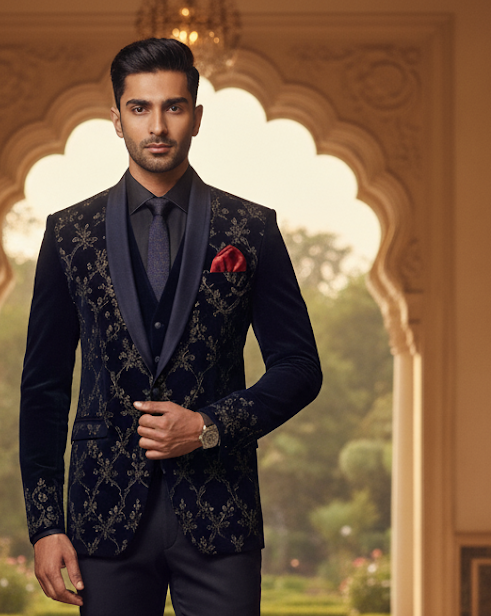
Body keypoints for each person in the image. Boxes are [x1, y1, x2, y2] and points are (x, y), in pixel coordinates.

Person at [19, 37, 322, 616]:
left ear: (197, 117)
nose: (157, 125)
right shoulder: (67, 235)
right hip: (102, 518)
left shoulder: (251, 228)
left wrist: (209, 425)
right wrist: (44, 525)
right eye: (140, 108)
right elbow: (44, 390)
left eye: (174, 107)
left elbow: (300, 368)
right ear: (116, 119)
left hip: (221, 515)